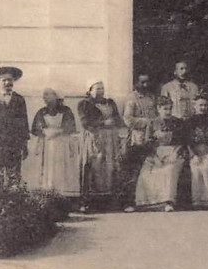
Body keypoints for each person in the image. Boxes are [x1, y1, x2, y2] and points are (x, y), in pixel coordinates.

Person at [132, 97, 186, 212]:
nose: (168, 112)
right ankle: (147, 203)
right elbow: (148, 142)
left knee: (169, 170)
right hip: (155, 153)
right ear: (159, 109)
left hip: (174, 152)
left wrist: (175, 153)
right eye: (165, 109)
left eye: (170, 109)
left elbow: (183, 142)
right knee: (146, 172)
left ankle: (167, 202)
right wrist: (155, 157)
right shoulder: (152, 123)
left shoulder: (178, 122)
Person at [24, 88, 80, 198]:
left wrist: (58, 131)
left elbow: (70, 127)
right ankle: (48, 193)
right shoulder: (42, 112)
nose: (44, 97)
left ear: (56, 95)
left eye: (47, 94)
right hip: (47, 145)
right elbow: (35, 128)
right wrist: (44, 131)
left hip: (62, 144)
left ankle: (64, 194)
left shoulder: (66, 111)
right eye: (43, 95)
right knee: (47, 170)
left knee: (61, 169)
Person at [77, 81, 124, 211]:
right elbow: (85, 122)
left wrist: (117, 125)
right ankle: (87, 202)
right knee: (93, 166)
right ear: (90, 90)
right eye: (97, 89)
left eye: (102, 88)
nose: (101, 91)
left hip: (110, 139)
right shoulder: (84, 104)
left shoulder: (110, 102)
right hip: (94, 138)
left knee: (110, 167)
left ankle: (109, 201)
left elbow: (118, 119)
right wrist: (103, 123)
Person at [0, 66, 30, 181]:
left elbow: (24, 122)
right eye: (4, 80)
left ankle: (14, 197)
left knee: (14, 174)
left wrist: (24, 144)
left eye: (10, 80)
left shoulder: (19, 100)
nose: (7, 82)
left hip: (14, 144)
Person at [122, 72, 159, 209]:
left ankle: (148, 200)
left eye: (147, 82)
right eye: (142, 82)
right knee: (134, 170)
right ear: (136, 83)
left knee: (150, 168)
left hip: (151, 137)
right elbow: (128, 119)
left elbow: (156, 114)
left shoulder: (151, 97)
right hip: (137, 138)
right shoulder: (131, 98)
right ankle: (130, 202)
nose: (145, 85)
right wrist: (146, 122)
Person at [185, 92, 208, 207]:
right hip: (195, 151)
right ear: (194, 106)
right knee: (196, 169)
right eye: (200, 105)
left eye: (205, 105)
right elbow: (186, 139)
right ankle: (197, 199)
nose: (203, 108)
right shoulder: (190, 121)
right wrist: (192, 153)